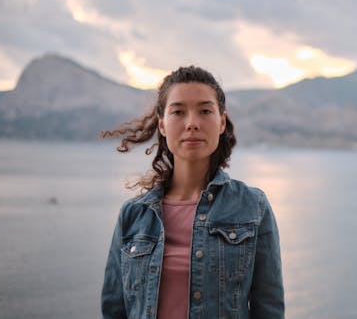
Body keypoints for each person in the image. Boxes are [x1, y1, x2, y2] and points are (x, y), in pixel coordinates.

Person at [100, 66, 284, 319]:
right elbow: (114, 308)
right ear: (162, 124)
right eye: (178, 112)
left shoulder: (253, 207)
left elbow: (269, 309)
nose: (192, 123)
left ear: (221, 122)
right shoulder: (133, 214)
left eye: (205, 111)